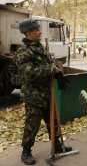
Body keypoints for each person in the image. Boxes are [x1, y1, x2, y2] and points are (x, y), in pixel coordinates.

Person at [15, 19, 72, 165]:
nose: (39, 32)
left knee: (52, 121)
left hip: (47, 92)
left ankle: (58, 146)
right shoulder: (23, 51)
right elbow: (29, 73)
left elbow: (48, 63)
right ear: (28, 33)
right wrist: (51, 69)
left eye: (38, 29)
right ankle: (26, 151)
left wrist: (57, 71)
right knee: (32, 124)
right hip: (34, 95)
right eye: (36, 30)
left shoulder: (39, 47)